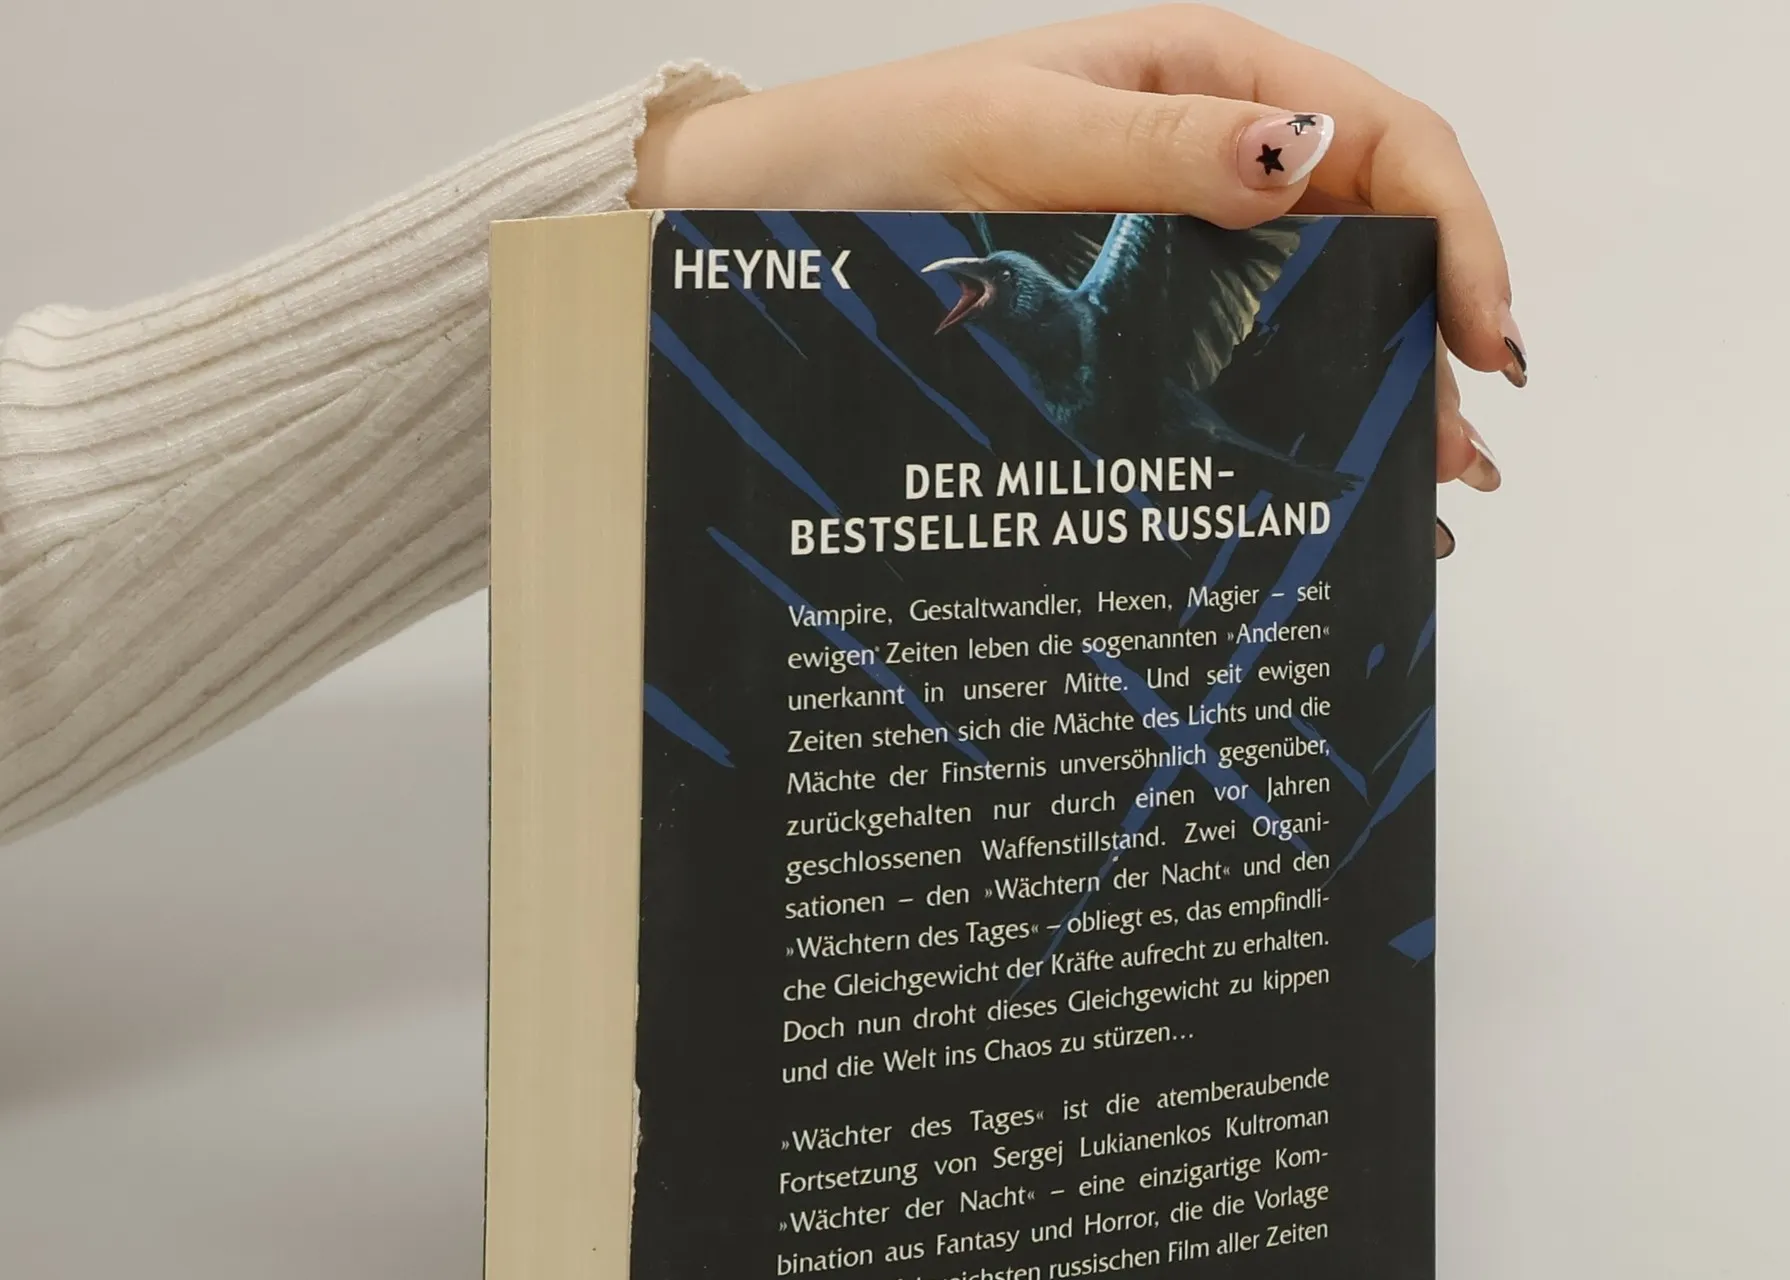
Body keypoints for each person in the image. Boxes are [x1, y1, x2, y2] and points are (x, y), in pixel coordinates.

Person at [0, 6, 1514, 845]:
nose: (974, 299)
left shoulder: (1107, 294)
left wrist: (688, 200)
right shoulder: (1022, 340)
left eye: (986, 287)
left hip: (1177, 438)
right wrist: (658, 250)